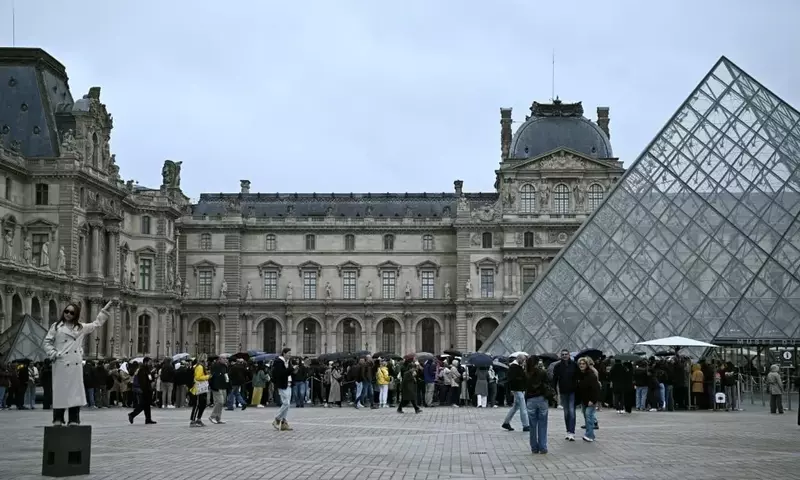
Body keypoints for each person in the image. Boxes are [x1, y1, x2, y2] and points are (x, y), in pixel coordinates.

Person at [43, 300, 114, 426]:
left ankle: (74, 419)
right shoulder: (56, 327)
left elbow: (96, 324)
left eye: (71, 312)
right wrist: (54, 354)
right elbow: (46, 342)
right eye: (66, 311)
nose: (68, 314)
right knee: (60, 392)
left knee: (74, 393)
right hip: (61, 363)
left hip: (75, 365)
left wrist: (104, 310)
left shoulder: (80, 328)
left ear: (76, 314)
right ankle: (58, 418)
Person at [524, 356, 551, 454]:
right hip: (542, 399)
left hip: (530, 400)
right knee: (543, 424)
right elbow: (548, 381)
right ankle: (543, 447)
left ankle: (534, 447)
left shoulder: (526, 373)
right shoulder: (542, 372)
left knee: (532, 425)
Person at [552, 349, 578, 441]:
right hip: (563, 392)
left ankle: (572, 432)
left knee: (571, 411)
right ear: (561, 356)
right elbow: (554, 379)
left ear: (569, 355)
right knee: (566, 413)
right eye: (562, 354)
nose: (564, 356)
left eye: (566, 354)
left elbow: (578, 378)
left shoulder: (574, 365)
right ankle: (568, 431)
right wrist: (554, 391)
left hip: (572, 391)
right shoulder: (558, 366)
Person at [502, 354, 529, 432]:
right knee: (523, 408)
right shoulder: (514, 367)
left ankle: (506, 423)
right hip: (517, 389)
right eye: (523, 360)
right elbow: (513, 379)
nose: (524, 362)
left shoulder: (517, 367)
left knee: (515, 407)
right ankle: (526, 425)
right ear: (519, 359)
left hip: (518, 389)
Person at [577, 357, 600, 442]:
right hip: (584, 400)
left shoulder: (591, 375)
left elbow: (596, 389)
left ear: (587, 365)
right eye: (580, 364)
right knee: (587, 417)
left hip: (591, 400)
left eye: (583, 364)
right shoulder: (580, 375)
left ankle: (590, 435)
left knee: (589, 416)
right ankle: (589, 434)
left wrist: (593, 400)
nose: (581, 365)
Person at [128, 357, 157, 425]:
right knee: (142, 405)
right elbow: (142, 381)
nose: (151, 363)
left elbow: (149, 378)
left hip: (148, 390)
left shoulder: (147, 370)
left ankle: (148, 419)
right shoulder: (142, 370)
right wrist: (144, 389)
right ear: (145, 362)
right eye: (149, 362)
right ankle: (132, 415)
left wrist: (152, 376)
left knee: (147, 405)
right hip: (144, 390)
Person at [272, 348, 293, 430]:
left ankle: (284, 422)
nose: (290, 355)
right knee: (286, 403)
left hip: (289, 383)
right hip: (282, 384)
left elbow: (289, 373)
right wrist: (291, 369)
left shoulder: (288, 362)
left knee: (287, 405)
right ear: (284, 353)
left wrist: (294, 371)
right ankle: (277, 418)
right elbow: (281, 374)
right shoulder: (278, 362)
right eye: (288, 353)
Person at [189, 357, 210, 426]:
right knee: (197, 404)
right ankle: (193, 420)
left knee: (202, 404)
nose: (207, 363)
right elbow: (198, 377)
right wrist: (207, 377)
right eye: (206, 361)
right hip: (198, 389)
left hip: (201, 389)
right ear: (203, 361)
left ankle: (198, 419)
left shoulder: (200, 367)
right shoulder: (200, 367)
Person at [208, 356, 228, 424]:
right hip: (216, 386)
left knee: (221, 403)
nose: (225, 359)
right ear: (219, 359)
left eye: (226, 358)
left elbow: (226, 375)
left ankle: (218, 418)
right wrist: (213, 386)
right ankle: (212, 417)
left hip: (222, 386)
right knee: (220, 402)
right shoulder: (215, 366)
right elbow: (212, 376)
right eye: (224, 358)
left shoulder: (224, 366)